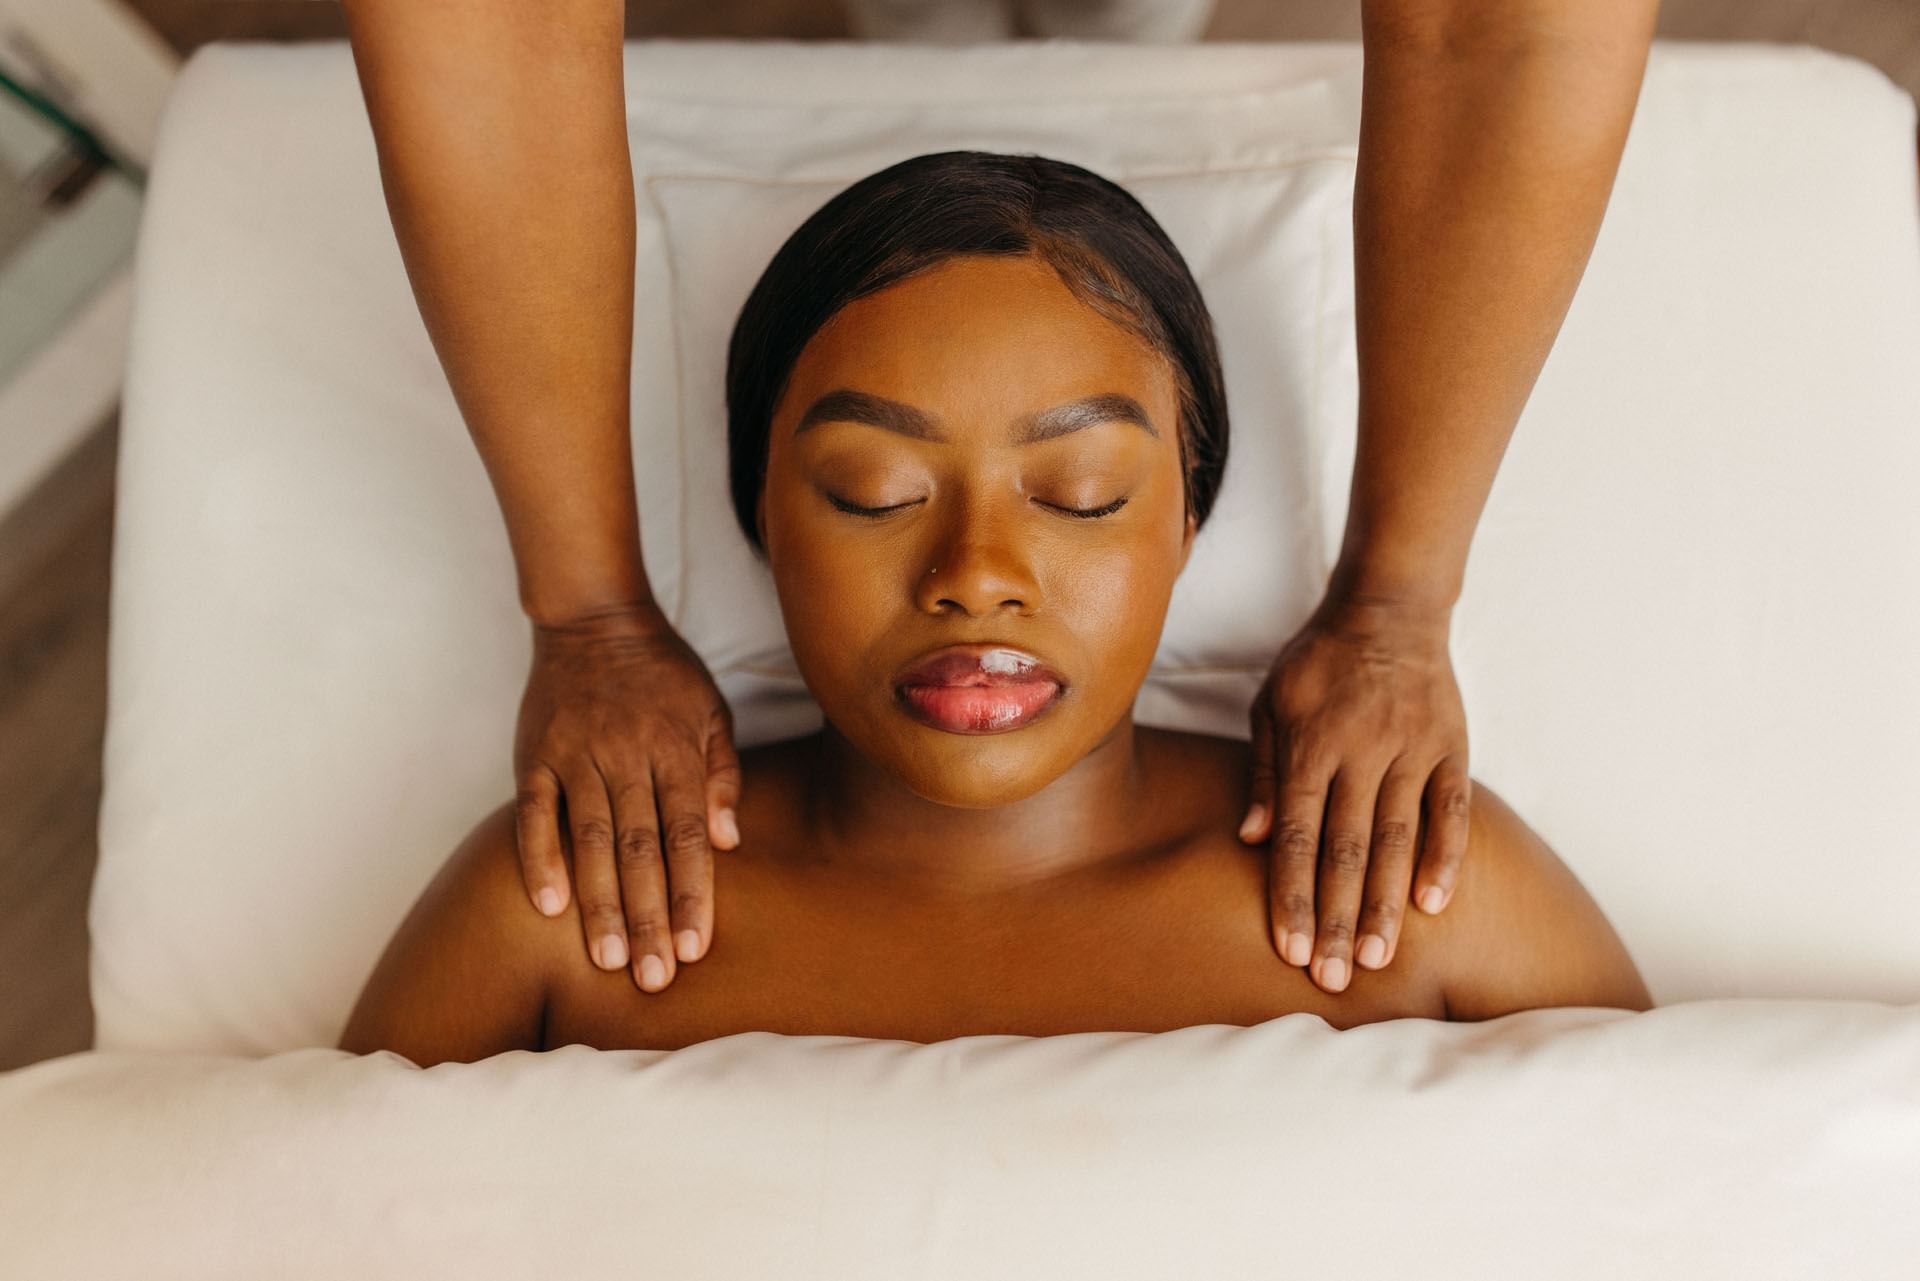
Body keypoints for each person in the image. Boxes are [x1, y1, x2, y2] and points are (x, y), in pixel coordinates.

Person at [336, 0, 1661, 998]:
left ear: (1185, 518)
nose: (976, 572)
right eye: (870, 489)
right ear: (761, 518)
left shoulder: (1425, 893)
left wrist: (1400, 600)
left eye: (1083, 492)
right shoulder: (560, 908)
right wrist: (588, 615)